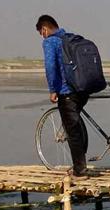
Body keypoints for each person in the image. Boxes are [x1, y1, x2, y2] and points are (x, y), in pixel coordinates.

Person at [37, 14, 89, 177]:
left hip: (67, 91)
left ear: (44, 29)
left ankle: (80, 170)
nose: (42, 35)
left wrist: (53, 89)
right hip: (83, 88)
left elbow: (51, 67)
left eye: (41, 32)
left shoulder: (50, 41)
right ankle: (81, 161)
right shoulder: (70, 38)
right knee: (75, 125)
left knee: (72, 130)